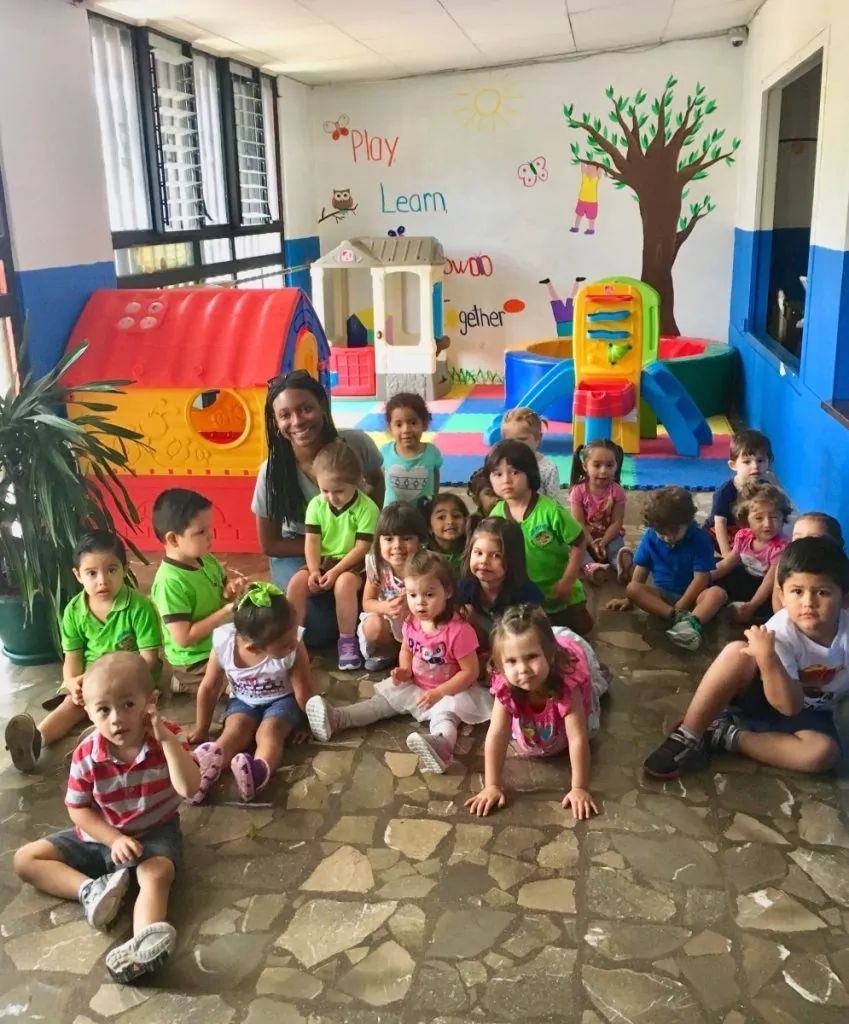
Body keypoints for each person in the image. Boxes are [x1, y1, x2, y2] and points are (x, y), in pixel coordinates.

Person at [13, 653, 200, 983]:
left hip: (152, 833)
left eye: (128, 705)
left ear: (150, 703)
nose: (116, 719)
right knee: (25, 859)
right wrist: (111, 839)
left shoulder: (169, 738)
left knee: (157, 875)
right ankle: (91, 891)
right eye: (104, 710)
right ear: (88, 712)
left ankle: (145, 944)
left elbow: (189, 787)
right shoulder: (87, 754)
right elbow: (78, 809)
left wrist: (167, 740)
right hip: (100, 835)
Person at [644, 538, 849, 779]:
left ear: (845, 598)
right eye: (797, 591)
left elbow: (796, 711)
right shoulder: (779, 632)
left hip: (809, 713)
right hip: (763, 697)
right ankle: (688, 734)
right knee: (737, 652)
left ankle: (724, 736)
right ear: (781, 595)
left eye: (822, 592)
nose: (808, 603)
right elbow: (788, 704)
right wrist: (767, 657)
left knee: (823, 754)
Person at [305, 549, 490, 775]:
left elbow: (470, 672)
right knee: (380, 703)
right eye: (412, 595)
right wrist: (404, 669)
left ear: (448, 591)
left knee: (446, 715)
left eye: (429, 595)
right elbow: (406, 648)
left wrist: (440, 692)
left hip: (451, 691)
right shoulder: (412, 621)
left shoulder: (459, 631)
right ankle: (338, 718)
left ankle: (442, 746)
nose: (420, 603)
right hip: (417, 685)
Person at [4, 531, 163, 773]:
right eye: (91, 573)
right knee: (71, 704)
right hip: (92, 679)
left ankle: (98, 746)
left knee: (126, 710)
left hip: (133, 678)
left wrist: (120, 683)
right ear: (78, 575)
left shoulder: (139, 608)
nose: (102, 581)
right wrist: (72, 681)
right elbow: (73, 658)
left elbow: (149, 659)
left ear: (125, 568)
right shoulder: (74, 611)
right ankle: (36, 740)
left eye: (111, 570)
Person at [251, 370, 384, 648]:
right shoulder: (272, 473)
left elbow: (376, 489)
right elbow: (271, 543)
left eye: (306, 409)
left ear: (322, 407)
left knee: (368, 608)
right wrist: (321, 552)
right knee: (317, 629)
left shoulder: (356, 445)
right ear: (276, 423)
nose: (297, 421)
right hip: (299, 550)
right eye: (285, 415)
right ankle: (298, 647)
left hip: (354, 546)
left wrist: (360, 538)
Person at [465, 605, 606, 820]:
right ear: (501, 666)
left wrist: (579, 788)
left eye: (531, 657)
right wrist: (492, 785)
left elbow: (577, 738)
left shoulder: (567, 683)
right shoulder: (506, 682)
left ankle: (600, 676)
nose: (523, 669)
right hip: (546, 648)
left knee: (593, 700)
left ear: (550, 655)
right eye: (511, 661)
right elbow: (497, 734)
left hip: (573, 651)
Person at [188, 583, 312, 803]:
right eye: (285, 643)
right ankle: (202, 771)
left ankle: (258, 772)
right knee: (234, 730)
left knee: (269, 732)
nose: (293, 642)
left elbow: (303, 689)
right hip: (243, 701)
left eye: (294, 632)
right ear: (254, 649)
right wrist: (202, 728)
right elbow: (209, 686)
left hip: (282, 700)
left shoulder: (294, 645)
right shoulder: (224, 643)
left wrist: (307, 723)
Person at [286, 442, 379, 670]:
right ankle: (290, 641)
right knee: (297, 583)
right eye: (324, 490)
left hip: (354, 563)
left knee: (344, 584)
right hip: (324, 560)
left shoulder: (367, 508)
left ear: (356, 483)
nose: (331, 497)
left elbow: (361, 548)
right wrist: (314, 569)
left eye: (339, 491)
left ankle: (346, 641)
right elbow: (312, 541)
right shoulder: (316, 506)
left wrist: (336, 571)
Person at [486, 439, 593, 636]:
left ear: (530, 473)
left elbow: (579, 542)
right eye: (498, 474)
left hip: (561, 593)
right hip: (523, 597)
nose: (506, 480)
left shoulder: (550, 511)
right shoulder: (496, 514)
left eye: (514, 472)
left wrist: (568, 580)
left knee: (580, 629)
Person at [150, 489, 242, 694]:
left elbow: (223, 589)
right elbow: (184, 637)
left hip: (220, 643)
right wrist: (226, 611)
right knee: (243, 687)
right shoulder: (169, 583)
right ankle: (184, 681)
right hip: (194, 661)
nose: (210, 535)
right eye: (201, 532)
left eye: (209, 528)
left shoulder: (205, 558)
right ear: (173, 539)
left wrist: (230, 590)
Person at [624, 486, 715, 650]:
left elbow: (701, 578)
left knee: (717, 594)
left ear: (687, 522)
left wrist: (683, 604)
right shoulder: (651, 537)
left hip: (696, 596)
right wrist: (630, 601)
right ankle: (676, 618)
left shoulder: (699, 538)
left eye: (674, 531)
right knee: (632, 588)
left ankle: (693, 622)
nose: (667, 538)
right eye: (662, 533)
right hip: (663, 596)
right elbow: (642, 568)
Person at [694, 482, 791, 628]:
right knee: (712, 567)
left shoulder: (780, 547)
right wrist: (702, 578)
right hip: (745, 578)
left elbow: (768, 583)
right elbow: (728, 563)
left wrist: (752, 605)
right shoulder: (744, 536)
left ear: (783, 517)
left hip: (765, 589)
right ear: (746, 520)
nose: (767, 524)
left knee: (768, 610)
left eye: (774, 517)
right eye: (759, 518)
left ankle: (742, 610)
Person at [458, 517, 543, 667]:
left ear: (512, 559)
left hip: (516, 650)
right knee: (463, 612)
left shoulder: (525, 592)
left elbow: (541, 633)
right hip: (482, 646)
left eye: (496, 555)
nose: (484, 561)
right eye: (478, 553)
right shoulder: (465, 586)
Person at [359, 502, 428, 672]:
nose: (397, 546)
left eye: (406, 538)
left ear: (420, 541)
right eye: (389, 539)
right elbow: (367, 602)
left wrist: (413, 603)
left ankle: (416, 654)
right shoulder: (377, 565)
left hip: (420, 619)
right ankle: (390, 652)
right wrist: (386, 607)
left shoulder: (427, 565)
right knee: (373, 625)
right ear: (379, 542)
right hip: (391, 619)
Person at [569, 439, 633, 584]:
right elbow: (578, 523)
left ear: (617, 465)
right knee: (575, 548)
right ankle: (592, 568)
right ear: (585, 466)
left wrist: (604, 542)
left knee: (616, 548)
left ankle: (622, 566)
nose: (603, 471)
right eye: (597, 465)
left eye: (609, 465)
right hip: (585, 535)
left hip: (609, 536)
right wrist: (592, 543)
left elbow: (617, 522)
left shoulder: (617, 491)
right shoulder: (578, 492)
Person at [704, 429, 773, 556]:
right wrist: (726, 553)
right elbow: (719, 523)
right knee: (704, 539)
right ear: (733, 465)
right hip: (723, 530)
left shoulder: (766, 488)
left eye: (760, 460)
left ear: (769, 462)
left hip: (746, 528)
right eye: (747, 462)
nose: (755, 466)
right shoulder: (725, 492)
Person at [773, 513, 844, 612]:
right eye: (798, 539)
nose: (804, 544)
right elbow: (778, 601)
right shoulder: (785, 565)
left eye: (814, 539)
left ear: (836, 544)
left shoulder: (841, 567)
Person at [381, 392, 442, 506]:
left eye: (413, 423)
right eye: (399, 425)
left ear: (424, 424)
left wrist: (435, 499)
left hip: (423, 514)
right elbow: (380, 482)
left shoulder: (432, 452)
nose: (406, 430)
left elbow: (435, 476)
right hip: (393, 517)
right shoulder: (385, 452)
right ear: (390, 427)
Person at [501, 407, 562, 502]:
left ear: (538, 438)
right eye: (511, 441)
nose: (517, 445)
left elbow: (555, 503)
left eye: (522, 440)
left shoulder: (548, 468)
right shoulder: (502, 465)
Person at [420, 492, 469, 572]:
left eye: (456, 516)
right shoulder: (424, 558)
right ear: (429, 527)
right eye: (441, 517)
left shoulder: (471, 553)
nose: (450, 521)